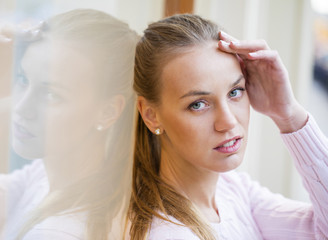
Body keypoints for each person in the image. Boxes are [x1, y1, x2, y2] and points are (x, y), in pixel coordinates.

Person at [127, 14, 328, 239]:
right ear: (151, 115)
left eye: (235, 92)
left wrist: (289, 114)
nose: (229, 121)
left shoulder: (232, 189)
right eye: (198, 104)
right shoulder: (167, 233)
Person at [0, 9, 138, 240]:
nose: (21, 109)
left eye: (51, 95)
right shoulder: (44, 178)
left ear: (107, 112)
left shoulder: (57, 231)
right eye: (22, 79)